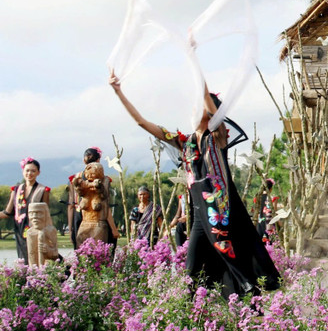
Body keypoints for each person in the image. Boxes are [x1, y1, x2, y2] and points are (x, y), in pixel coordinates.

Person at [110, 71, 280, 298]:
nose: (192, 110)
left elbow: (210, 104)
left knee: (237, 266)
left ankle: (252, 306)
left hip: (221, 216)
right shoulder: (185, 142)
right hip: (200, 217)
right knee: (192, 269)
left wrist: (194, 63)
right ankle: (189, 312)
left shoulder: (217, 138)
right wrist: (118, 92)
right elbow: (142, 122)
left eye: (197, 107)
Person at [0, 158, 50, 264]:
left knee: (36, 259)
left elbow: (45, 214)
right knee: (23, 260)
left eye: (33, 171)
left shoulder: (43, 190)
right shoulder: (16, 190)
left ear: (38, 172)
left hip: (35, 230)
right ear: (23, 171)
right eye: (27, 170)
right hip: (20, 231)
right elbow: (7, 212)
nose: (29, 173)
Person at [69, 147, 119, 251]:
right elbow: (106, 206)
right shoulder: (104, 179)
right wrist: (113, 228)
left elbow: (70, 206)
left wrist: (70, 229)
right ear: (98, 160)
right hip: (97, 217)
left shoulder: (76, 178)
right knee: (102, 249)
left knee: (81, 250)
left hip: (79, 216)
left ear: (84, 160)